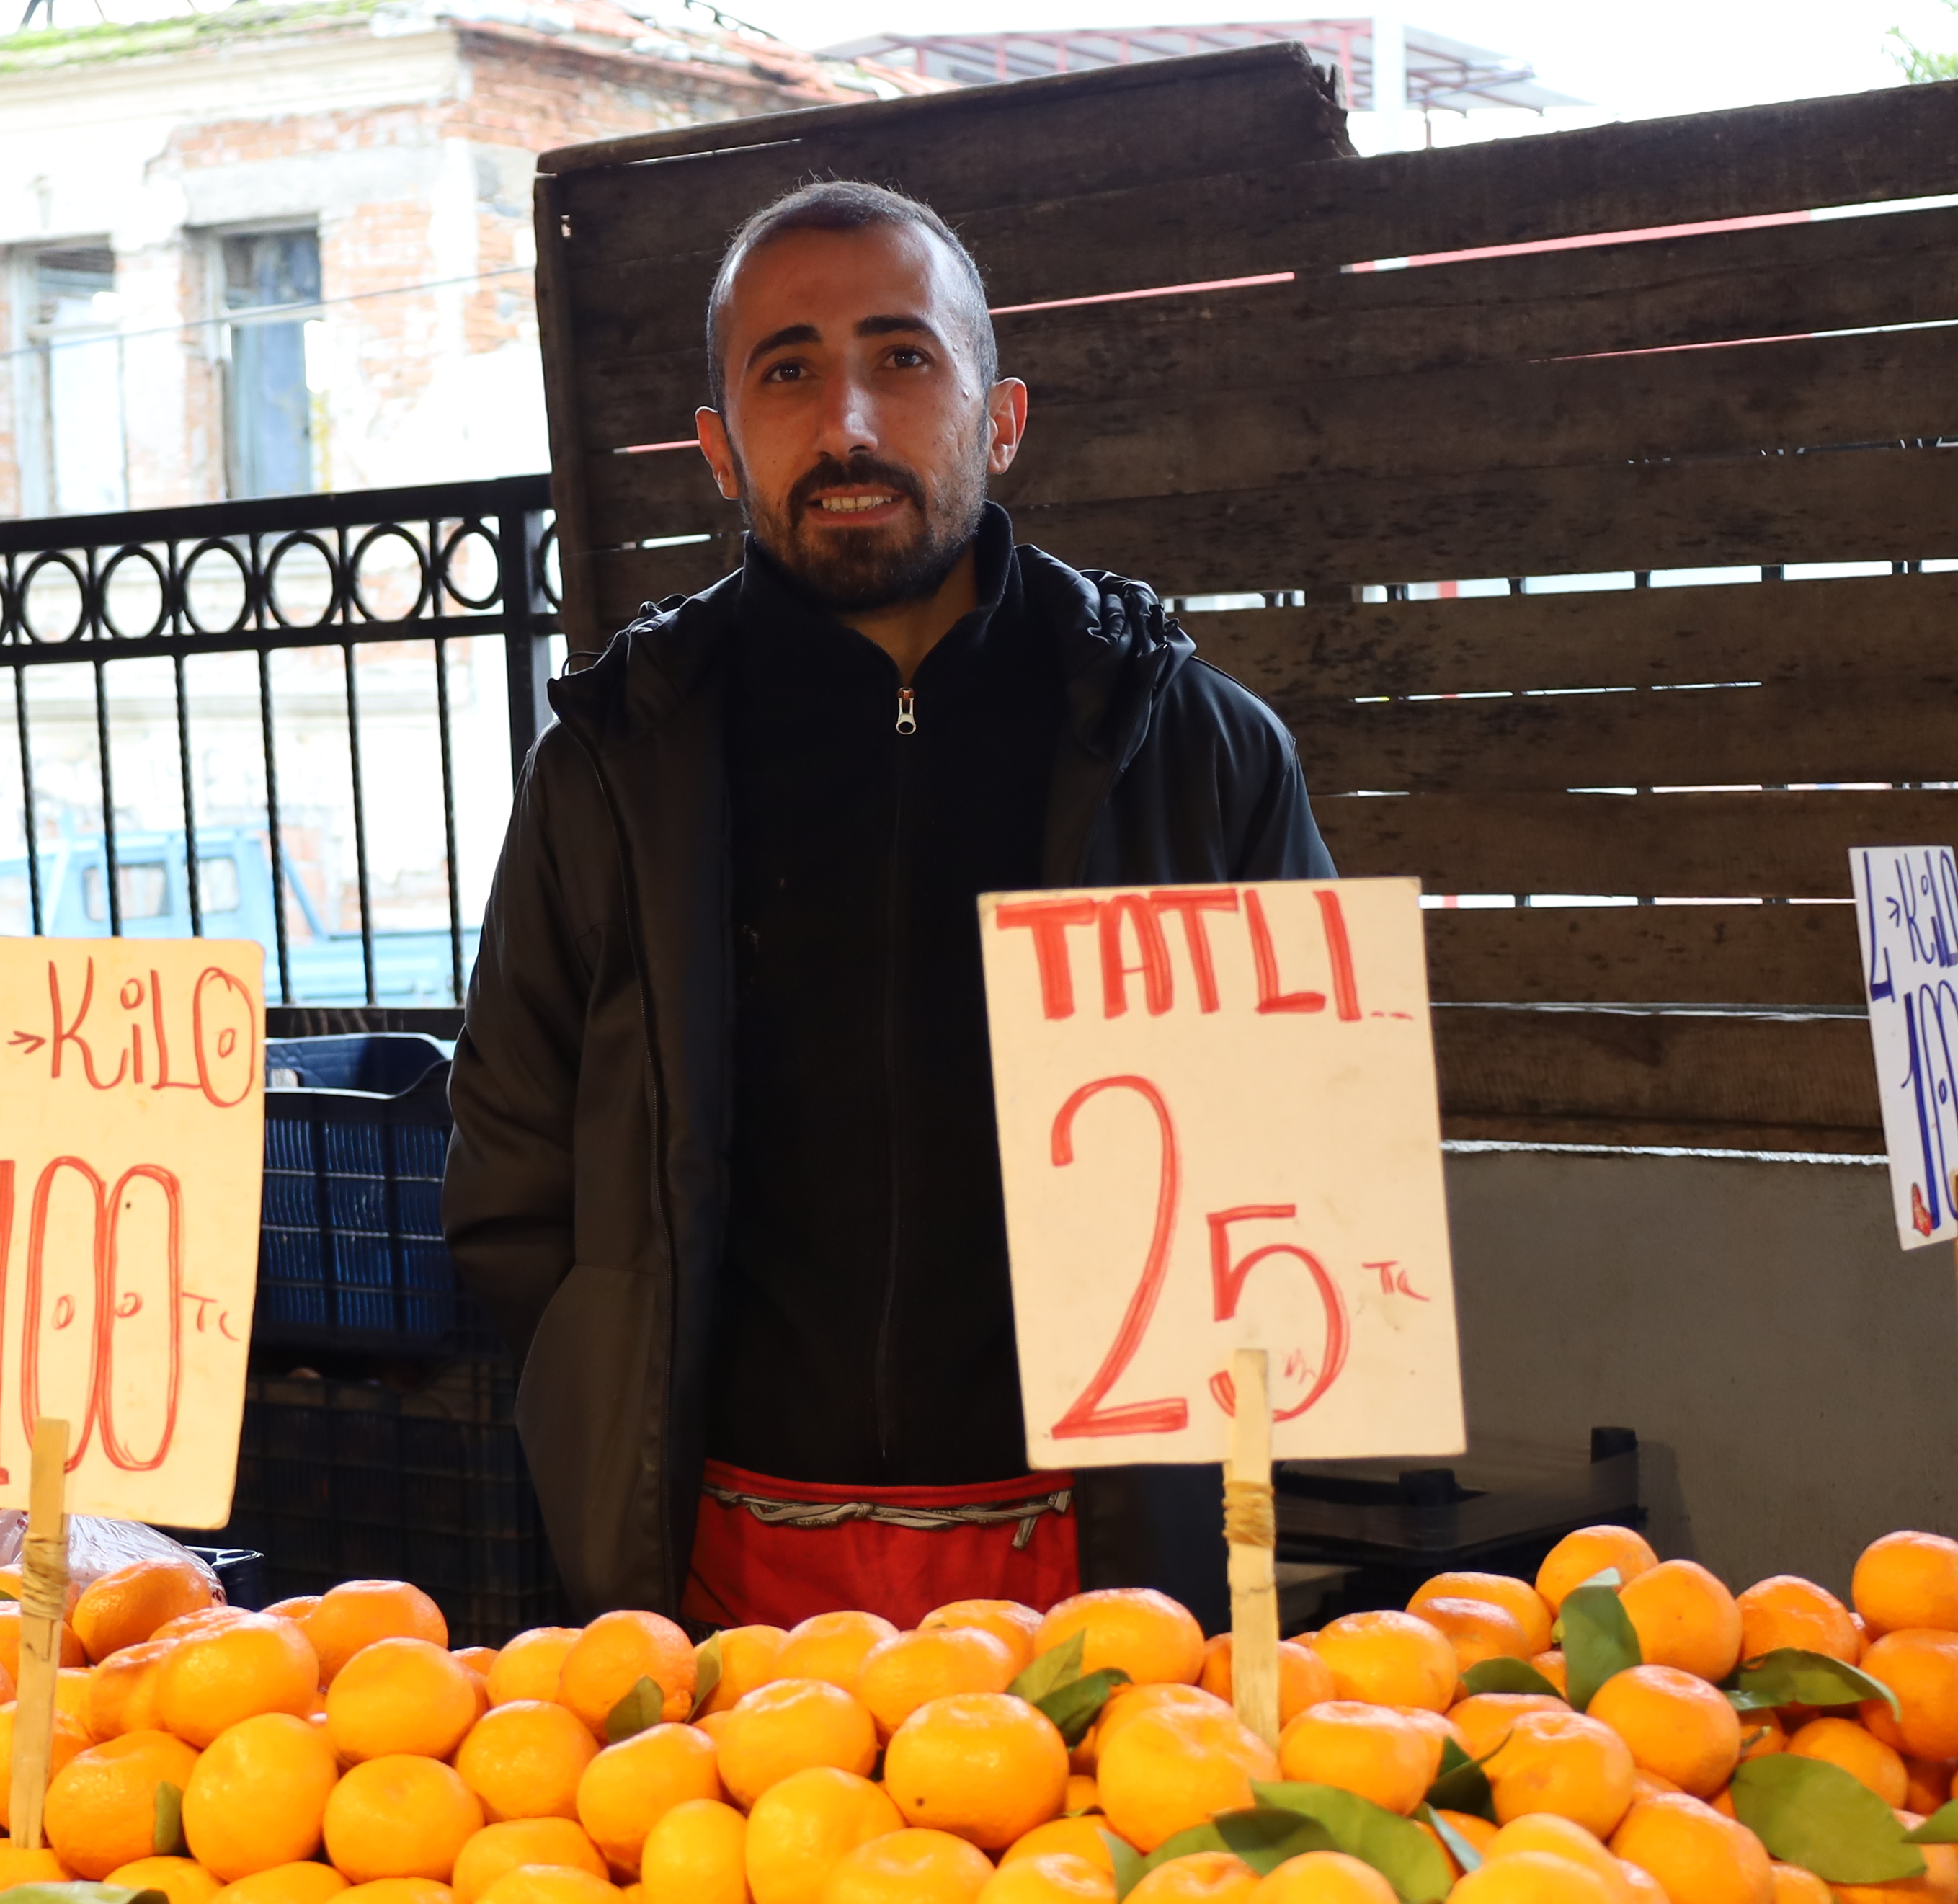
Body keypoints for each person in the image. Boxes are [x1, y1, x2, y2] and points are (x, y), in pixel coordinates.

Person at [442, 177, 1330, 1629]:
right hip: (719, 1555)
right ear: (720, 450)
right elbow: (513, 1171)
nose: (848, 423)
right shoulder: (615, 768)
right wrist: (612, 1391)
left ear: (1002, 416)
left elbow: (1304, 1155)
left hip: (1098, 1553)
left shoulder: (1197, 750)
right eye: (788, 370)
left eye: (903, 358)